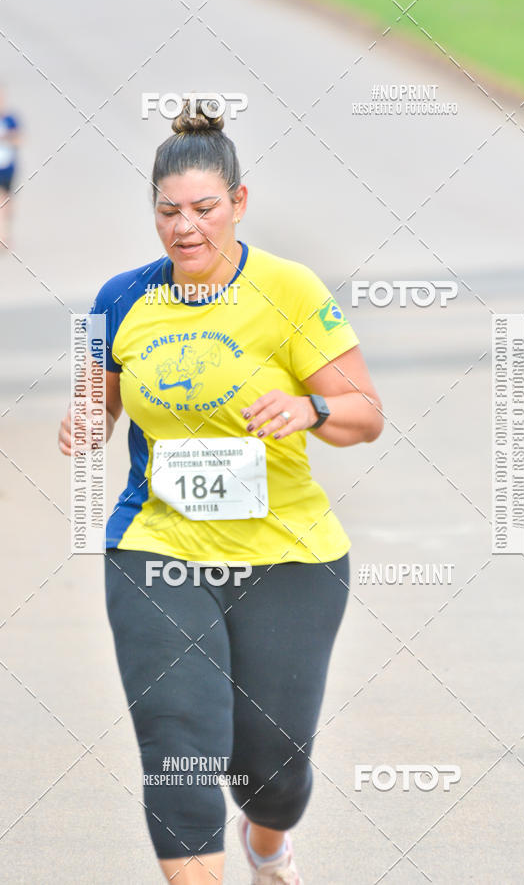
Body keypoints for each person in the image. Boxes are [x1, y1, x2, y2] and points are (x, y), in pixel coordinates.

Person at [58, 99, 383, 884]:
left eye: (204, 209)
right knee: (178, 744)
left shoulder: (290, 289)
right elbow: (99, 402)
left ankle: (267, 843)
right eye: (168, 212)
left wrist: (309, 409)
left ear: (239, 203)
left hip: (288, 554)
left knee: (273, 772)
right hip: (157, 545)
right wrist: (84, 422)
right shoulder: (119, 299)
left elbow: (364, 416)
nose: (185, 228)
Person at [0, 87, 20, 251]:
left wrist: (8, 137)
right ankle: (2, 237)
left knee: (7, 203)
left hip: (8, 168)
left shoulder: (10, 120)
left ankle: (6, 235)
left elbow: (20, 140)